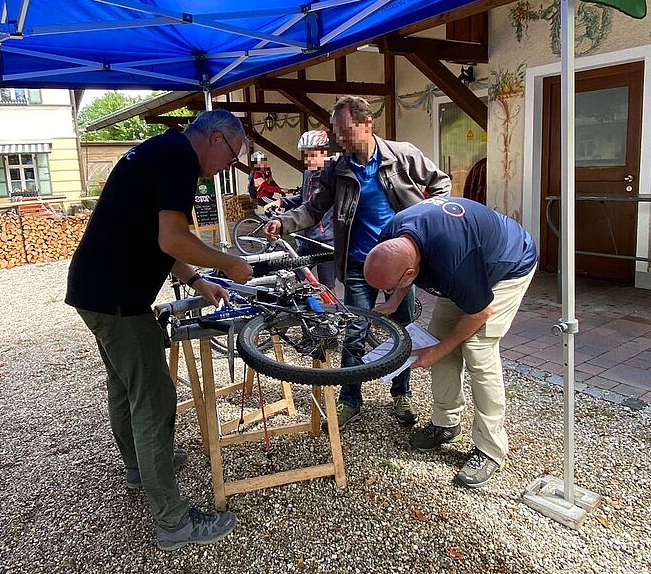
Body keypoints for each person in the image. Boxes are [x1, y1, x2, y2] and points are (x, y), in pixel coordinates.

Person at [65, 110, 254, 550]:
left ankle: (139, 466)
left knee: (124, 384)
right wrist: (228, 263)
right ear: (217, 138)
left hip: (94, 291)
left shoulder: (162, 151)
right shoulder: (180, 160)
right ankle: (174, 521)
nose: (225, 168)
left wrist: (198, 280)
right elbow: (173, 238)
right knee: (154, 398)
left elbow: (156, 239)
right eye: (231, 157)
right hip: (118, 301)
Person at [264, 95, 451, 429]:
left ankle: (401, 393)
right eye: (336, 132)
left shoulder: (402, 155)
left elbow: (442, 184)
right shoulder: (337, 168)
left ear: (367, 124)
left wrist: (425, 223)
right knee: (355, 332)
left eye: (345, 130)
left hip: (399, 267)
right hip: (357, 266)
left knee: (402, 331)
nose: (340, 139)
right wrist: (284, 222)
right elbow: (313, 209)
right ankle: (350, 399)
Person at [363, 196, 538, 489]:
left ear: (410, 273)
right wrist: (393, 302)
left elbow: (480, 311)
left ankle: (490, 449)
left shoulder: (453, 260)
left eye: (391, 288)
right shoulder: (391, 235)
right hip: (464, 266)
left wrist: (437, 351)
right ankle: (446, 424)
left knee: (477, 350)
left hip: (508, 265)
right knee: (439, 341)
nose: (389, 291)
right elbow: (402, 271)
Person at [265, 130, 335, 290]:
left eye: (312, 155)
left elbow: (316, 205)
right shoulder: (308, 173)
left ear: (324, 153)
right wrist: (281, 201)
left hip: (326, 242)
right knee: (291, 276)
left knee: (327, 288)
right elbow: (304, 198)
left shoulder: (332, 176)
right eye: (305, 155)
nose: (308, 159)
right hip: (307, 239)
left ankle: (332, 306)